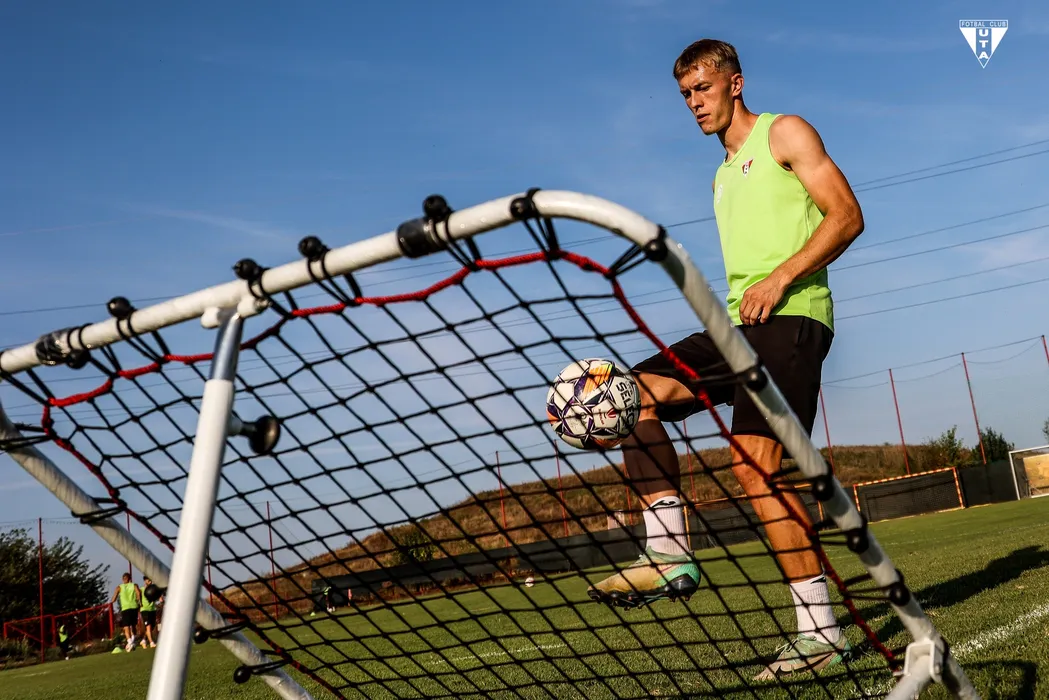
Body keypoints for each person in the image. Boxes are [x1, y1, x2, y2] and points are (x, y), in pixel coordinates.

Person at [586, 38, 864, 680]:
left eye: (703, 89)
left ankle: (820, 635)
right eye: (685, 94)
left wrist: (782, 277)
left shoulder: (784, 133)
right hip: (739, 325)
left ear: (735, 84)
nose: (693, 102)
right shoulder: (720, 173)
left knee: (754, 465)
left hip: (793, 317)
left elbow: (846, 216)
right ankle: (668, 553)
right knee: (627, 396)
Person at [110, 572, 142, 652]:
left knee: (126, 626)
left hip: (125, 608)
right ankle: (133, 641)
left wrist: (111, 601)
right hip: (134, 607)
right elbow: (138, 593)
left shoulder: (119, 587)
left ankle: (130, 642)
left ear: (123, 579)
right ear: (130, 579)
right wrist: (140, 602)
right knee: (133, 625)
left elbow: (114, 598)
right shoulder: (134, 585)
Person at [140, 576, 160, 649]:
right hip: (145, 610)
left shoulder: (153, 589)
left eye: (151, 580)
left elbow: (158, 596)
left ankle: (143, 640)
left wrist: (160, 598)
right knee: (148, 627)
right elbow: (138, 597)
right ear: (145, 581)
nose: (150, 582)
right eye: (148, 580)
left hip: (152, 609)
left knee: (152, 626)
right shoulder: (141, 589)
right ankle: (151, 642)